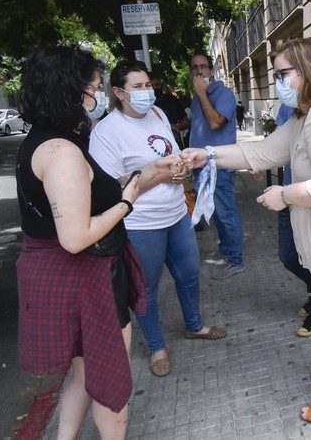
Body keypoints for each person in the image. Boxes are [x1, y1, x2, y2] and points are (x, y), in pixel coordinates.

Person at [182, 38, 311, 425]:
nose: (277, 82)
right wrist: (207, 155)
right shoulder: (302, 118)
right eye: (275, 74)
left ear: (308, 71)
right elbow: (258, 153)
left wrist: (287, 195)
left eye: (283, 74)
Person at [15, 45, 145, 438]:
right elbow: (74, 237)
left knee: (85, 373)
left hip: (71, 275)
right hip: (86, 278)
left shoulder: (44, 139)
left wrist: (135, 180)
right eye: (93, 88)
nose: (97, 96)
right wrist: (127, 201)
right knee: (109, 383)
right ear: (69, 92)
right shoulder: (61, 152)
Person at [89, 61, 227, 378]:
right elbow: (111, 189)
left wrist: (180, 170)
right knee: (145, 289)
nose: (146, 92)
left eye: (148, 85)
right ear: (118, 92)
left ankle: (194, 326)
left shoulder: (159, 114)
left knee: (190, 273)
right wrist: (160, 175)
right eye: (137, 87)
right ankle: (156, 347)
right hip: (140, 225)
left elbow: (172, 155)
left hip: (177, 215)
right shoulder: (107, 133)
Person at [189, 52, 245, 278]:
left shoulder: (223, 94)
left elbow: (214, 122)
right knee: (214, 214)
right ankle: (227, 249)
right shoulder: (196, 98)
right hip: (201, 166)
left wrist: (202, 93)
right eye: (195, 68)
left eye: (203, 67)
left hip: (219, 167)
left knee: (226, 213)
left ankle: (236, 260)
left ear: (211, 71)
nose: (199, 71)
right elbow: (198, 123)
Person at [273, 104, 311, 337]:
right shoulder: (287, 107)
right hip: (288, 193)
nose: (282, 80)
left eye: (286, 73)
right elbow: (275, 144)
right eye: (278, 74)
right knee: (289, 256)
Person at [150, 74, 190, 148]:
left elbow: (186, 121)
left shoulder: (171, 100)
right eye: (151, 85)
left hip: (175, 142)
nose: (155, 87)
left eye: (157, 84)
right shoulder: (145, 104)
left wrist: (178, 126)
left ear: (161, 85)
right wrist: (168, 126)